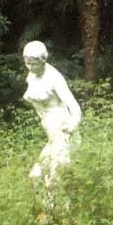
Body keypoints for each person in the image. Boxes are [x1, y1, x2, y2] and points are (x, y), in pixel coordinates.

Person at [22, 41, 81, 183]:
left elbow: (75, 107)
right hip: (50, 133)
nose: (30, 67)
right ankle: (54, 205)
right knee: (36, 177)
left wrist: (73, 125)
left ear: (43, 60)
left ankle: (57, 206)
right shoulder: (31, 76)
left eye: (33, 64)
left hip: (62, 130)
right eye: (27, 63)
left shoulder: (54, 78)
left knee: (52, 178)